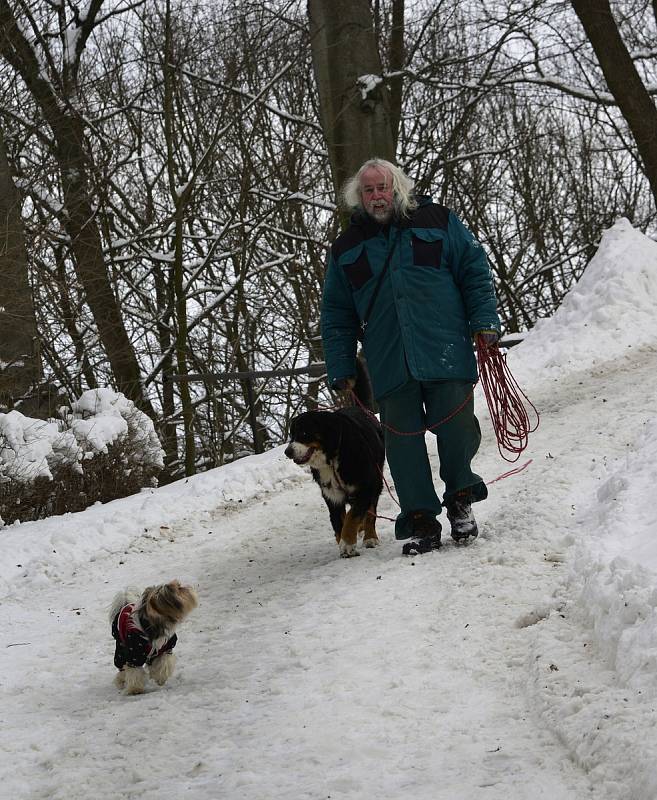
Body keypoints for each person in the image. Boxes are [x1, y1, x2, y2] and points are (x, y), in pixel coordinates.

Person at [320, 158, 501, 553]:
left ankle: (460, 500)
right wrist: (341, 366)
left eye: (382, 187)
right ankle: (420, 519)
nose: (376, 196)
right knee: (402, 446)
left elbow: (473, 268)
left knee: (457, 430)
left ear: (397, 187)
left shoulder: (437, 220)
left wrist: (484, 319)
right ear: (359, 197)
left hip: (444, 347)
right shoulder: (346, 248)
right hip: (388, 359)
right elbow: (336, 314)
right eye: (368, 191)